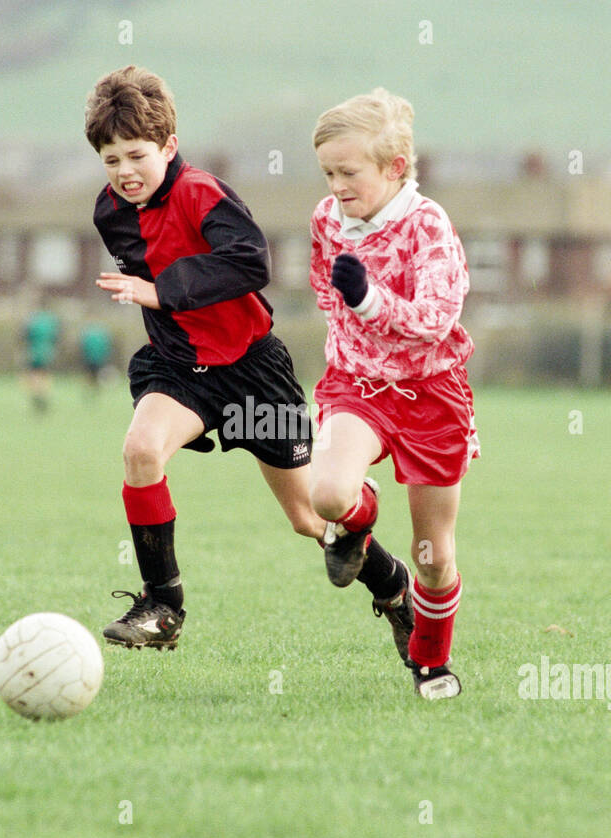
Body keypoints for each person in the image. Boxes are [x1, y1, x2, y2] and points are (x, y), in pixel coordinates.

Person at [86, 65, 411, 651]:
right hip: (179, 368)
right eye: (111, 161)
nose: (124, 173)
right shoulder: (109, 212)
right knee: (140, 450)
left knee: (313, 520)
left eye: (136, 155)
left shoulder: (201, 193)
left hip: (252, 373)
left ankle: (391, 584)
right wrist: (162, 307)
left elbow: (249, 263)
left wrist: (165, 290)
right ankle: (163, 606)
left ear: (169, 145)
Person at [308, 88, 478, 699]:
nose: (336, 186)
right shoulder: (328, 219)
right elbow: (326, 288)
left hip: (432, 394)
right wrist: (350, 325)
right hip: (357, 386)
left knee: (433, 555)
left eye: (348, 172)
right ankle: (357, 517)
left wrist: (370, 301)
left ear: (394, 167)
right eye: (328, 172)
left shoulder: (427, 225)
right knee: (327, 495)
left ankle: (430, 661)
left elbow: (435, 317)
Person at [22, 305, 60, 412]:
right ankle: (44, 394)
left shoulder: (32, 319)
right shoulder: (51, 320)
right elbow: (56, 337)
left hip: (34, 351)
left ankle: (36, 394)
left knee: (33, 374)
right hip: (47, 351)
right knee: (45, 374)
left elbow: (25, 335)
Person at [79, 320, 113, 395]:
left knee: (89, 376)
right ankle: (95, 391)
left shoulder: (88, 335)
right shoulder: (102, 336)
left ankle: (88, 391)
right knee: (96, 376)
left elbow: (83, 347)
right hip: (99, 359)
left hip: (89, 359)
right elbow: (106, 348)